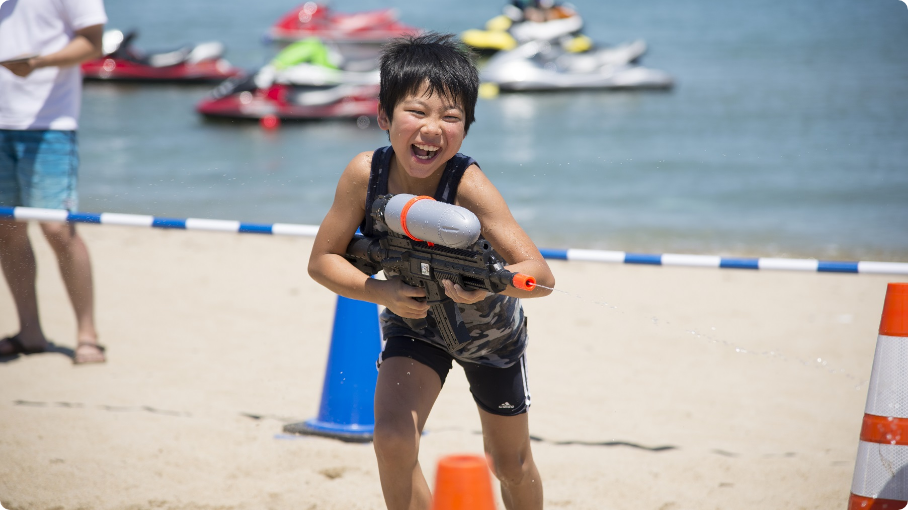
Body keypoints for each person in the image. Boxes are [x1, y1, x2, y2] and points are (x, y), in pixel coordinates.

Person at [308, 33, 555, 510]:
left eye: (451, 117)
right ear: (384, 116)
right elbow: (322, 261)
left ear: (467, 128)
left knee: (510, 464)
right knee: (393, 439)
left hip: (491, 337)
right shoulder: (365, 174)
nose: (432, 129)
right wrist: (381, 293)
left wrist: (484, 290)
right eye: (417, 112)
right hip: (412, 325)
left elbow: (539, 276)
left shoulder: (468, 184)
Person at [0, 0, 107, 364]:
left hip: (50, 123)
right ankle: (30, 332)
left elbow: (94, 43)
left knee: (57, 229)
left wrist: (37, 63)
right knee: (7, 230)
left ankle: (87, 335)